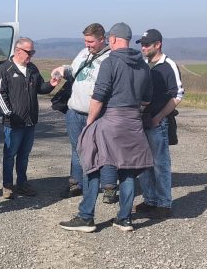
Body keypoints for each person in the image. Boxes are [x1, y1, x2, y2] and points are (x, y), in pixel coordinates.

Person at [59, 22, 153, 233]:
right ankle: (124, 219)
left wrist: (90, 123)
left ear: (112, 39)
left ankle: (86, 217)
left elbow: (99, 96)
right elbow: (147, 99)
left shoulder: (110, 62)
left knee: (92, 165)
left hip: (110, 119)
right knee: (127, 170)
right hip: (133, 121)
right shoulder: (143, 65)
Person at [49, 23, 116, 201]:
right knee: (76, 149)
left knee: (105, 150)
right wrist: (61, 70)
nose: (87, 45)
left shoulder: (111, 58)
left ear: (102, 39)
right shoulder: (83, 53)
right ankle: (76, 184)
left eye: (91, 42)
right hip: (75, 112)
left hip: (100, 114)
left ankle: (109, 188)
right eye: (85, 41)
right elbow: (73, 71)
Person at [0, 37, 57, 199]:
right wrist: (9, 114)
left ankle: (22, 184)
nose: (31, 55)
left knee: (24, 155)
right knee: (10, 155)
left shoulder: (32, 68)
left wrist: (51, 84)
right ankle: (8, 186)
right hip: (13, 123)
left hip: (30, 122)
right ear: (18, 51)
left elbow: (40, 88)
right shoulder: (5, 69)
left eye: (33, 52)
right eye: (29, 52)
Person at [135, 29, 184, 218]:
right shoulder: (142, 65)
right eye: (142, 44)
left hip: (157, 122)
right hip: (140, 121)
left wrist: (159, 117)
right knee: (143, 163)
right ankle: (150, 200)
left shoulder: (168, 65)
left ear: (158, 44)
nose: (143, 48)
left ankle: (164, 204)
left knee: (160, 163)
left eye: (147, 44)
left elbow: (177, 95)